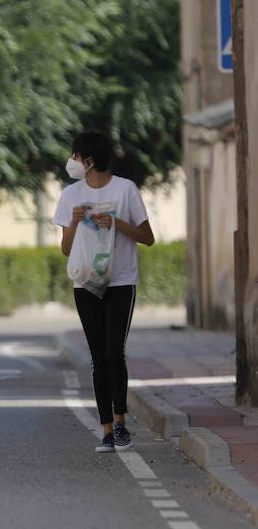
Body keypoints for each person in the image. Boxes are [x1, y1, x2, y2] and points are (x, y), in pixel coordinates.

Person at [53, 131, 155, 453]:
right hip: (85, 282)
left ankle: (122, 423)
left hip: (121, 280)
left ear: (90, 160)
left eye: (76, 155)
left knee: (114, 352)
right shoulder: (70, 195)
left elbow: (148, 237)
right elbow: (66, 249)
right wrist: (73, 221)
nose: (72, 161)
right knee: (98, 357)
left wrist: (116, 222)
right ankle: (107, 430)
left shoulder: (125, 190)